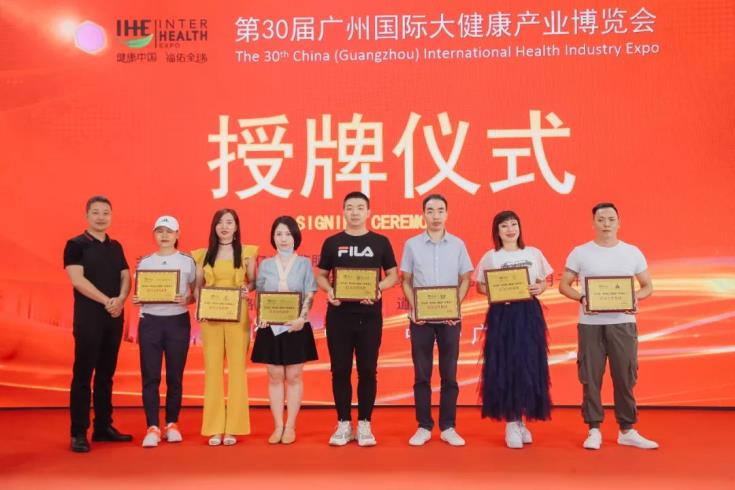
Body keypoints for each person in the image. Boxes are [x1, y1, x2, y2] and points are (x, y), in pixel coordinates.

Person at [559, 202, 658, 450]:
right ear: (593, 223)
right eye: (601, 219)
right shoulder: (580, 252)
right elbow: (564, 285)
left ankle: (627, 429)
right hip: (590, 324)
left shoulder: (632, 252)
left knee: (625, 376)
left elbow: (647, 286)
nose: (606, 224)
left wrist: (635, 298)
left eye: (611, 219)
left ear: (619, 223)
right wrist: (582, 298)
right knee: (590, 377)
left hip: (623, 324)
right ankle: (593, 429)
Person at [316, 191, 398, 446]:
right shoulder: (332, 242)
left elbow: (393, 275)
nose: (354, 212)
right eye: (350, 207)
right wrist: (329, 291)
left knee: (367, 370)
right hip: (339, 317)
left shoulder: (380, 242)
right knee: (340, 370)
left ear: (368, 212)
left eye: (360, 208)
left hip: (369, 317)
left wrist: (378, 289)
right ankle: (343, 423)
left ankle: (364, 424)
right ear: (343, 211)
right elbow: (321, 275)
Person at [474, 210, 553, 449]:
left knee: (528, 366)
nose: (510, 229)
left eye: (514, 224)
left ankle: (521, 420)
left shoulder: (533, 253)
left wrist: (540, 288)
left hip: (528, 314)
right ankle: (511, 421)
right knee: (506, 366)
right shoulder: (491, 256)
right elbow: (480, 286)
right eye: (504, 226)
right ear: (497, 232)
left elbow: (544, 280)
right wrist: (497, 290)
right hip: (503, 315)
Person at [400, 194, 473, 447]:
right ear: (423, 214)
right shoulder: (412, 244)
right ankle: (423, 426)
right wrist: (416, 308)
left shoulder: (458, 244)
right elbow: (406, 280)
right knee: (422, 375)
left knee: (449, 374)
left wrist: (455, 307)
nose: (435, 215)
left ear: (447, 214)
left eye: (440, 210)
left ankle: (448, 426)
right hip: (420, 320)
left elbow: (466, 278)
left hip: (450, 320)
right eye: (430, 211)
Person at [63, 195, 133, 453]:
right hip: (89, 318)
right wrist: (107, 301)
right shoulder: (75, 245)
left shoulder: (116, 246)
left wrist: (121, 299)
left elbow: (126, 276)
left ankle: (103, 426)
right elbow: (77, 280)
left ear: (111, 216)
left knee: (106, 375)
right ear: (87, 215)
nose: (101, 217)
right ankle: (78, 432)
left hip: (113, 317)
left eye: (106, 212)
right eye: (96, 212)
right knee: (83, 375)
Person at [192, 209, 257, 446]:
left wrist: (247, 289)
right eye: (220, 222)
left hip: (237, 316)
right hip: (211, 317)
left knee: (238, 370)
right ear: (214, 226)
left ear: (236, 227)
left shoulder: (247, 253)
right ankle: (214, 427)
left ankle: (234, 428)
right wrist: (199, 306)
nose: (224, 226)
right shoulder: (202, 255)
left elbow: (253, 281)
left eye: (229, 222)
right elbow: (197, 286)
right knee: (213, 371)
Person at [251, 216, 318, 445]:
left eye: (288, 234)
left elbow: (310, 293)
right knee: (275, 376)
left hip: (296, 326)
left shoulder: (304, 264)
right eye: (279, 234)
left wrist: (302, 318)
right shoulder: (266, 265)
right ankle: (278, 425)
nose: (283, 238)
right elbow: (260, 294)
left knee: (294, 376)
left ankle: (290, 426)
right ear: (273, 237)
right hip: (270, 327)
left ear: (295, 236)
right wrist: (260, 316)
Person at [132, 216, 196, 448]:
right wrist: (138, 299)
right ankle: (152, 426)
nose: (165, 235)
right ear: (154, 235)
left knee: (174, 377)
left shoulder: (188, 262)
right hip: (150, 322)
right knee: (150, 376)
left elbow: (195, 294)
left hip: (177, 322)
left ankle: (171, 423)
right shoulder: (145, 262)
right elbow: (140, 292)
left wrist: (186, 299)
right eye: (160, 231)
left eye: (169, 231)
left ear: (177, 234)